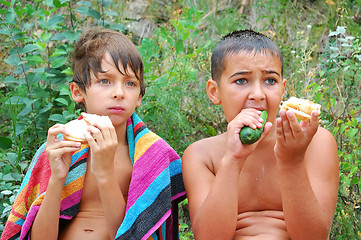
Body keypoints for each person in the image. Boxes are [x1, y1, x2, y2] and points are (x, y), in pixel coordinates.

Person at [2, 28, 185, 240]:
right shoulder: (60, 146)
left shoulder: (152, 155)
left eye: (130, 83)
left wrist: (105, 173)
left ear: (140, 97)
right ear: (77, 92)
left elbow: (136, 235)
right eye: (105, 81)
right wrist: (57, 178)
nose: (119, 92)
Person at [182, 29, 339, 240]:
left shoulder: (316, 143)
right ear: (214, 92)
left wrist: (292, 161)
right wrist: (232, 160)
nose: (258, 94)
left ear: (283, 90)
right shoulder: (202, 155)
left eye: (270, 81)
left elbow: (314, 237)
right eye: (241, 81)